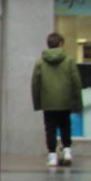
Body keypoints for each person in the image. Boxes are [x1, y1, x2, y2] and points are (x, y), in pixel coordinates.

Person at [32, 32, 82, 167]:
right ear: (61, 44)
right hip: (65, 100)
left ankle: (52, 155)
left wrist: (38, 103)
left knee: (50, 129)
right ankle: (67, 151)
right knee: (66, 126)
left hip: (48, 102)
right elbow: (76, 82)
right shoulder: (69, 60)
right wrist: (77, 102)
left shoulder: (40, 63)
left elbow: (35, 84)